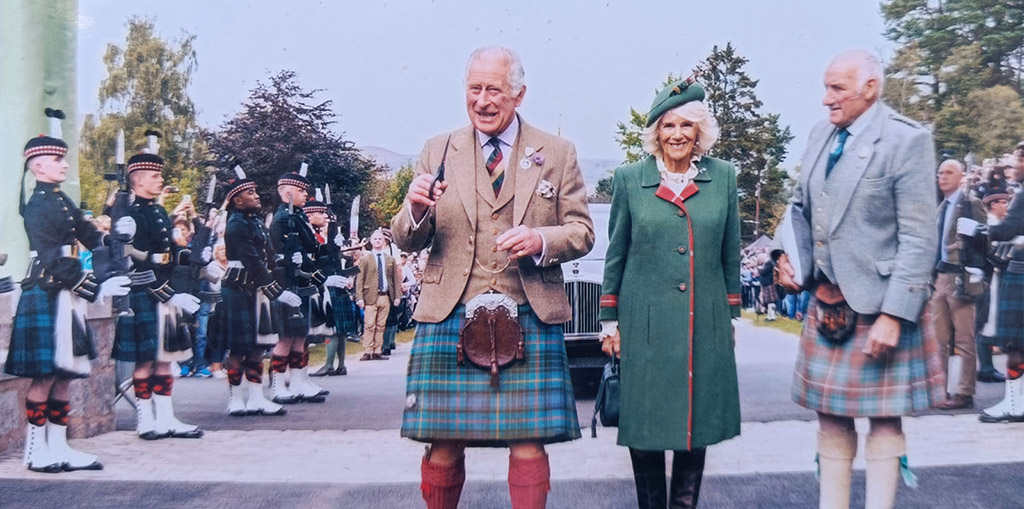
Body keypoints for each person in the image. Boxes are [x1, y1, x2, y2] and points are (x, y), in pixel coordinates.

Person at [391, 46, 594, 509]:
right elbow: (406, 240)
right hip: (449, 311)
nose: (482, 100)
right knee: (442, 440)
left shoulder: (557, 153)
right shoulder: (437, 150)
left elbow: (582, 232)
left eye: (494, 90)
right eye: (474, 89)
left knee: (528, 441)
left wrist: (541, 240)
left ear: (518, 94)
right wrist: (417, 209)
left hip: (528, 310)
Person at [774, 49, 944, 509]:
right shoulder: (819, 134)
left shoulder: (907, 141)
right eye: (825, 87)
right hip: (825, 300)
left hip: (879, 304)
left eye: (837, 88)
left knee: (885, 420)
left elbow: (918, 238)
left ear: (870, 88)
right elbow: (796, 208)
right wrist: (784, 256)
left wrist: (894, 315)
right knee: (830, 417)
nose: (826, 99)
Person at [598, 77, 741, 509]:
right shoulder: (628, 180)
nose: (677, 134)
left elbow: (730, 252)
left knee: (694, 425)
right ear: (656, 133)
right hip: (644, 328)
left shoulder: (724, 177)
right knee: (646, 424)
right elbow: (615, 254)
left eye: (686, 125)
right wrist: (610, 321)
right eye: (668, 126)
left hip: (705, 322)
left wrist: (731, 316)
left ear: (700, 132)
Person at [6, 112, 132, 472]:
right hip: (48, 288)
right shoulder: (39, 206)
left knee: (65, 374)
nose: (63, 165)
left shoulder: (61, 199)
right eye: (56, 160)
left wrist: (115, 237)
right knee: (45, 375)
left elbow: (88, 234)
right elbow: (53, 259)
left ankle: (59, 448)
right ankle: (35, 451)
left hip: (66, 291)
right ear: (38, 165)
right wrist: (96, 287)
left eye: (63, 159)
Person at [113, 147, 204, 441]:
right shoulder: (130, 213)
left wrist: (192, 256)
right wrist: (167, 294)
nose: (159, 180)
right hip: (145, 290)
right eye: (154, 175)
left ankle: (166, 417)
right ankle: (145, 419)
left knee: (165, 358)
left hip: (166, 289)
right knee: (145, 360)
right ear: (137, 180)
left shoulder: (159, 210)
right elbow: (135, 260)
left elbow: (169, 251)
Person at [219, 172, 298, 417]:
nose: (256, 196)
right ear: (236, 200)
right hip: (239, 289)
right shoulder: (236, 225)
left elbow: (268, 254)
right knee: (238, 347)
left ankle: (255, 397)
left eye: (255, 191)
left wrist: (283, 259)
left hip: (256, 290)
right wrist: (277, 292)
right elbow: (252, 262)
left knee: (257, 346)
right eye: (249, 193)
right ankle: (235, 398)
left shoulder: (254, 222)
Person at [268, 170, 341, 403]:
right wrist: (321, 278)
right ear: (287, 192)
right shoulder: (282, 219)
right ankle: (278, 386)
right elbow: (290, 255)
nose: (304, 194)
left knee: (300, 336)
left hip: (302, 283)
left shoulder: (297, 217)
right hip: (289, 283)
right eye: (300, 190)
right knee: (286, 337)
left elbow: (311, 249)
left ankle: (300, 381)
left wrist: (331, 244)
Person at [966, 142, 1024, 423]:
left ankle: (1014, 405)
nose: (1015, 167)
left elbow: (1009, 229)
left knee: (1014, 345)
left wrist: (980, 229)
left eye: (1019, 160)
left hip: (1020, 273)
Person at [931, 159, 987, 410]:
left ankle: (965, 391)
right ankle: (939, 390)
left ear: (961, 177)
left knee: (964, 339)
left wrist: (976, 272)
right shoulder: (942, 206)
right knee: (938, 339)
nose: (942, 177)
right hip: (942, 276)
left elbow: (984, 240)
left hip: (961, 277)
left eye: (948, 172)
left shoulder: (970, 204)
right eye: (940, 172)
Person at [974, 187, 1010, 384]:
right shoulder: (990, 224)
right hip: (989, 278)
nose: (1006, 205)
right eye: (1002, 202)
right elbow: (990, 253)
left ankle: (988, 367)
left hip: (994, 278)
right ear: (993, 204)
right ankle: (986, 368)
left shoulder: (998, 223)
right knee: (987, 321)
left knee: (991, 321)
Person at [355, 229, 401, 361]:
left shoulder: (390, 259)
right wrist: (359, 297)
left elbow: (395, 280)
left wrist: (397, 296)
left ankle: (377, 350)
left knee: (381, 325)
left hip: (385, 296)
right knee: (369, 324)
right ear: (371, 241)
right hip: (370, 296)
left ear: (384, 241)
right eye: (375, 239)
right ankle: (367, 350)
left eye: (380, 239)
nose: (378, 241)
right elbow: (360, 279)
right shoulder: (365, 259)